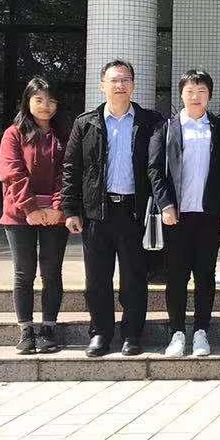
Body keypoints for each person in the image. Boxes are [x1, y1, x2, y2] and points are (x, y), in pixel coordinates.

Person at [61, 59, 163, 357]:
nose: (120, 85)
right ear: (102, 85)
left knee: (134, 278)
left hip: (134, 212)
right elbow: (71, 167)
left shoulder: (150, 121)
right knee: (97, 280)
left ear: (133, 85)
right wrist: (70, 209)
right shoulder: (86, 123)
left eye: (125, 80)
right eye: (114, 80)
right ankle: (101, 333)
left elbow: (159, 166)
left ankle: (132, 334)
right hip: (97, 213)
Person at [148, 70, 220, 358]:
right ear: (181, 94)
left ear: (210, 95)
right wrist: (165, 204)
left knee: (206, 274)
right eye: (190, 91)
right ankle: (177, 333)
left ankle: (202, 331)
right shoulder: (166, 127)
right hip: (176, 215)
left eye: (201, 91)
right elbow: (154, 169)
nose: (196, 96)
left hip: (209, 215)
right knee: (176, 275)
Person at [0, 76, 69, 355]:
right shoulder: (13, 134)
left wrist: (56, 207)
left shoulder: (63, 135)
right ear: (27, 101)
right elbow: (12, 173)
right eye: (39, 99)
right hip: (19, 215)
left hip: (54, 215)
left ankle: (48, 329)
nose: (45, 106)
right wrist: (31, 208)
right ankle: (26, 330)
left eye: (51, 100)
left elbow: (67, 172)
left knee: (51, 271)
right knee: (24, 272)